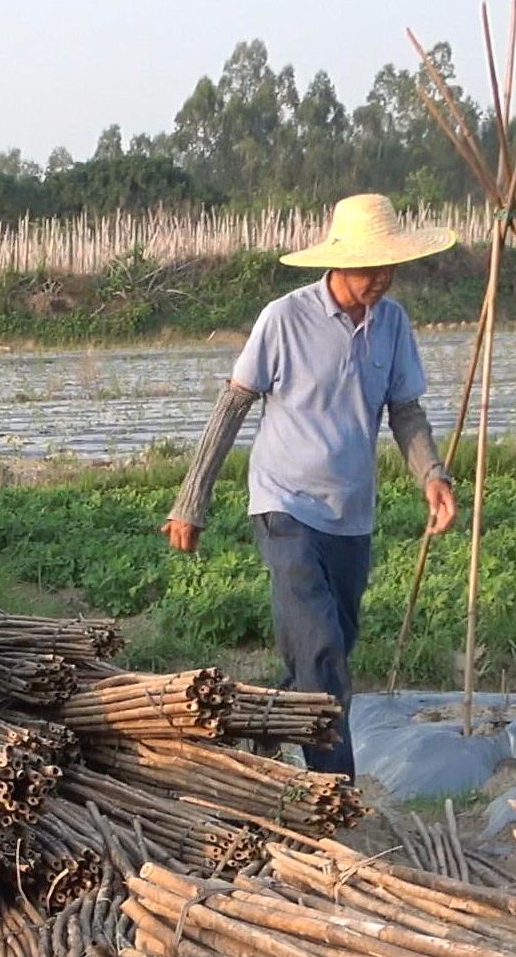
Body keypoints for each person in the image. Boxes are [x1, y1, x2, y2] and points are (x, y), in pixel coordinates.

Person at [164, 192, 461, 777]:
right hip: (285, 506)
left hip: (351, 513)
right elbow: (233, 406)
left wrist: (432, 473)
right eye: (370, 267)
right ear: (339, 261)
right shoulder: (284, 318)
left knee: (324, 653)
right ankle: (336, 790)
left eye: (389, 266)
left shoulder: (393, 324)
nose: (381, 279)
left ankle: (259, 730)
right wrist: (190, 502)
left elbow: (404, 410)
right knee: (322, 648)